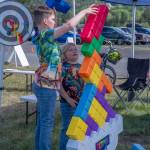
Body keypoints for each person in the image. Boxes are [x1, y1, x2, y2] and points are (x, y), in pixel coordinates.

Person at [31, 5, 98, 150]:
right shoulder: (46, 34)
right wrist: (84, 12)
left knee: (43, 121)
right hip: (46, 84)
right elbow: (68, 25)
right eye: (53, 19)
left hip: (43, 83)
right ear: (45, 21)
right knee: (47, 122)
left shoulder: (39, 36)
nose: (55, 22)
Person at [59, 43, 84, 150]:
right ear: (64, 54)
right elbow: (57, 84)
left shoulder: (81, 66)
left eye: (75, 49)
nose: (74, 51)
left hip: (82, 102)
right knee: (67, 129)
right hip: (67, 104)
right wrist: (68, 99)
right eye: (70, 50)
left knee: (79, 127)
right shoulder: (62, 67)